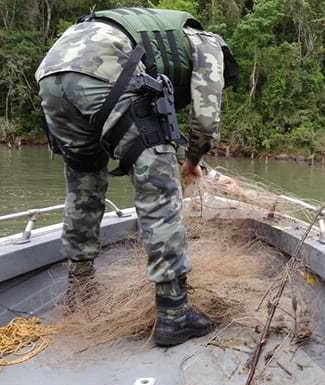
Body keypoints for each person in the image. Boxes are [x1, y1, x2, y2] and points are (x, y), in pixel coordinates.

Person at [35, 7, 237, 347]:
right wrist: (193, 161)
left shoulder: (162, 36)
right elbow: (205, 120)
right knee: (159, 191)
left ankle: (80, 289)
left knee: (84, 184)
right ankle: (174, 313)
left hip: (52, 74)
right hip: (106, 68)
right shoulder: (209, 45)